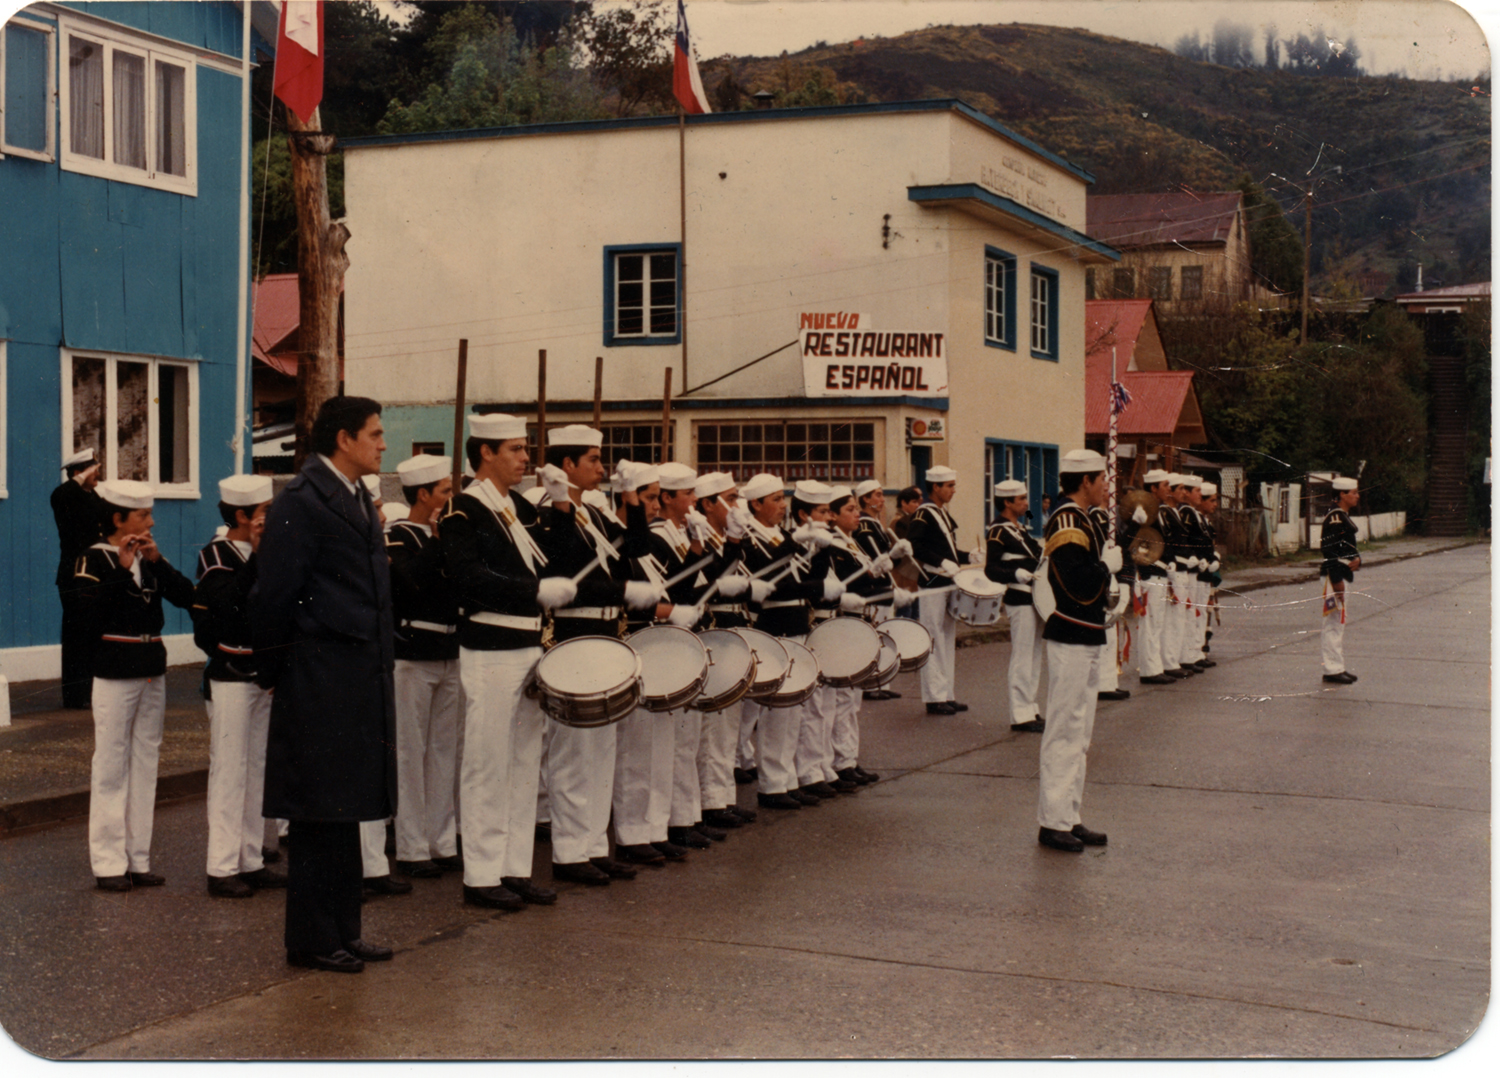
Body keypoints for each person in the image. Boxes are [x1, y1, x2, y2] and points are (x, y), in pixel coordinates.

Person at [251, 396, 398, 973]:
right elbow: (274, 597)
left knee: (348, 808)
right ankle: (312, 938)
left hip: (356, 675)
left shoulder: (355, 495)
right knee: (317, 815)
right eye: (376, 433)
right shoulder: (301, 501)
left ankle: (343, 928)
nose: (383, 443)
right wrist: (275, 674)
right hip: (317, 676)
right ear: (343, 439)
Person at [442, 413, 575, 911]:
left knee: (524, 762)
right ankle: (480, 874)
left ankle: (514, 866)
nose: (526, 458)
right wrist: (531, 591)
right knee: (487, 761)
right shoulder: (465, 509)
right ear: (485, 454)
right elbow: (465, 575)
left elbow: (557, 556)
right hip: (491, 646)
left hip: (527, 644)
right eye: (516, 449)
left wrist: (562, 505)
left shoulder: (515, 506)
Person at [536, 425, 660, 885]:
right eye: (592, 460)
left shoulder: (597, 513)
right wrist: (565, 506)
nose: (601, 468)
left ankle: (592, 843)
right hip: (575, 630)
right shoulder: (550, 509)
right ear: (566, 465)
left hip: (607, 629)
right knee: (574, 750)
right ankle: (569, 853)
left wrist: (630, 501)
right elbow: (566, 566)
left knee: (602, 747)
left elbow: (637, 549)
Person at [75, 479, 196, 891]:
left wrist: (157, 561)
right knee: (111, 764)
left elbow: (188, 597)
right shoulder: (93, 559)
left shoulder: (148, 556)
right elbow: (86, 619)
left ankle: (138, 858)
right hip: (114, 668)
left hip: (150, 665)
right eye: (143, 514)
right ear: (117, 518)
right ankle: (109, 863)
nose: (151, 521)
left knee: (146, 764)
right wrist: (122, 569)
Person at [193, 473, 285, 899]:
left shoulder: (267, 553)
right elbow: (228, 607)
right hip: (231, 675)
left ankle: (250, 858)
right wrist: (258, 560)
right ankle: (221, 866)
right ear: (244, 516)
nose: (270, 519)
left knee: (257, 769)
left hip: (262, 676)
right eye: (264, 513)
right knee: (229, 771)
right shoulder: (216, 555)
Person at [1036, 449, 1122, 853]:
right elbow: (1076, 584)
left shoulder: (1082, 518)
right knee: (1064, 730)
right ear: (1084, 481)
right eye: (1102, 479)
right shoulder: (1068, 521)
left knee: (1080, 733)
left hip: (1084, 634)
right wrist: (1106, 568)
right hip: (1070, 634)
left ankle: (1069, 815)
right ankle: (1052, 821)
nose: (1107, 486)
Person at [386, 454, 464, 880]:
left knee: (444, 752)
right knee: (411, 753)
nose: (451, 498)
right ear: (424, 495)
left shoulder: (449, 535)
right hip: (414, 652)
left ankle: (442, 840)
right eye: (445, 491)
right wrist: (435, 541)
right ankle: (413, 847)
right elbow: (410, 582)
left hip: (450, 649)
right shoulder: (397, 535)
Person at [736, 473, 835, 809]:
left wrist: (821, 552)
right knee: (776, 712)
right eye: (776, 500)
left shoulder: (780, 535)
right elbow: (768, 577)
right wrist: (797, 546)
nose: (782, 506)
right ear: (756, 504)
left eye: (783, 498)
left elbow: (807, 579)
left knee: (794, 710)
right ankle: (772, 784)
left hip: (796, 623)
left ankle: (787, 779)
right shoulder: (751, 538)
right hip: (773, 623)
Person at [689, 471, 757, 825]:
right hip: (712, 630)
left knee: (727, 723)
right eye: (729, 499)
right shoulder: (701, 536)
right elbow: (710, 582)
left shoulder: (720, 538)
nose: (735, 505)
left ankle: (722, 796)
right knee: (713, 726)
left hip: (732, 627)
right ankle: (711, 801)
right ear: (706, 504)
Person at [826, 485, 889, 786]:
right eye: (849, 510)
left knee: (853, 699)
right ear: (833, 515)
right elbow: (847, 587)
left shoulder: (852, 543)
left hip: (861, 620)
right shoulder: (834, 546)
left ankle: (849, 758)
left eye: (856, 509)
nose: (857, 514)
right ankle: (838, 763)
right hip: (845, 622)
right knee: (841, 698)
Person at [985, 479, 1046, 732]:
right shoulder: (998, 530)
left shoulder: (1020, 528)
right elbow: (992, 569)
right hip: (1019, 597)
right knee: (1022, 657)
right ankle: (1020, 714)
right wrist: (1015, 574)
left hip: (1035, 598)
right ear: (1007, 502)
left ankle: (1030, 707)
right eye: (1020, 499)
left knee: (1034, 656)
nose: (1025, 503)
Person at [905, 466, 967, 715]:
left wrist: (967, 555)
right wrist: (941, 563)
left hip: (947, 582)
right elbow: (914, 546)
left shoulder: (941, 514)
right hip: (932, 582)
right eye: (949, 486)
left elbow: (948, 551)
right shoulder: (924, 514)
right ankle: (933, 696)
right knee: (933, 637)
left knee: (947, 638)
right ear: (936, 488)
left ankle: (946, 693)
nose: (953, 490)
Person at [53, 448, 105, 708]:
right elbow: (63, 494)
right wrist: (80, 475)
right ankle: (75, 697)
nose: (98, 474)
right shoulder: (65, 495)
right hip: (73, 576)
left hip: (94, 575)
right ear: (77, 472)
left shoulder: (91, 495)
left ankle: (91, 692)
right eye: (93, 469)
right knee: (76, 636)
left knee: (93, 633)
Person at [852, 479, 901, 702]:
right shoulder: (864, 524)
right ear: (865, 499)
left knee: (884, 631)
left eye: (882, 495)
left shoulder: (875, 523)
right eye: (878, 495)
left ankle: (881, 680)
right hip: (874, 586)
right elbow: (873, 555)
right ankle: (871, 683)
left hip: (883, 584)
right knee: (876, 632)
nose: (882, 500)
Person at [1135, 469, 1178, 686]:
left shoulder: (1159, 511)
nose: (1169, 489)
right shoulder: (1142, 511)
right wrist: (1152, 565)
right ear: (1153, 488)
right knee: (1150, 623)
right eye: (1165, 485)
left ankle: (1156, 666)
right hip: (1150, 572)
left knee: (1158, 622)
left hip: (1161, 572)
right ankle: (1149, 670)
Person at [1320, 477, 1361, 684]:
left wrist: (1357, 559)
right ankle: (1332, 669)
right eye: (1353, 493)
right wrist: (1337, 581)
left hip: (1342, 572)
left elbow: (1346, 549)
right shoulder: (1335, 518)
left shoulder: (1342, 516)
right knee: (1333, 623)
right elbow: (1329, 552)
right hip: (1335, 575)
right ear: (1342, 495)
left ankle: (1337, 666)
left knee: (1339, 622)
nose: (1357, 496)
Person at [1198, 483, 1223, 659]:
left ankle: (1203, 647)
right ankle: (1199, 649)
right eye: (1212, 501)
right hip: (1200, 571)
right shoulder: (1196, 520)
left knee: (1207, 608)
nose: (1215, 505)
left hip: (1208, 572)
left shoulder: (1206, 521)